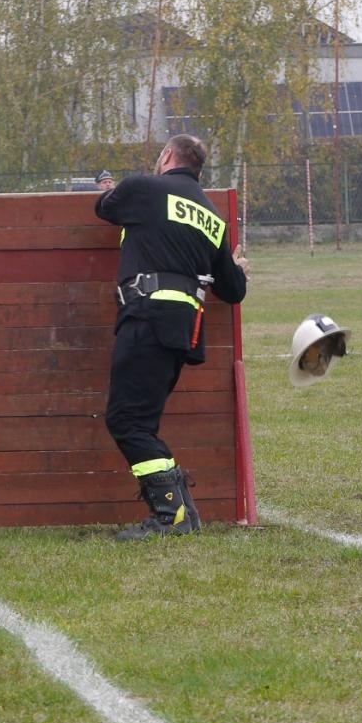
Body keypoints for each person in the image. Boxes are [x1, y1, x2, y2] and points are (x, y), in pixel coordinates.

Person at [95, 134, 249, 541]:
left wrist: (111, 188)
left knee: (126, 421)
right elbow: (233, 290)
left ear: (166, 157)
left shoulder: (145, 188)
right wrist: (236, 265)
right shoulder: (213, 217)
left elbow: (105, 208)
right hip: (184, 329)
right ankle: (183, 513)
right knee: (140, 420)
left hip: (147, 316)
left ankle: (171, 515)